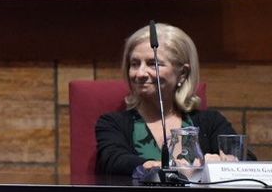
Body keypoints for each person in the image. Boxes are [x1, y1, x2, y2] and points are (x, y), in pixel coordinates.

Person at [94, 23, 254, 177]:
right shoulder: (112, 123)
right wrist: (157, 168)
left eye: (153, 63)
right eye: (134, 64)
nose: (140, 73)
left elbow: (248, 160)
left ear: (183, 73)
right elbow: (113, 161)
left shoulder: (212, 122)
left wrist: (225, 163)